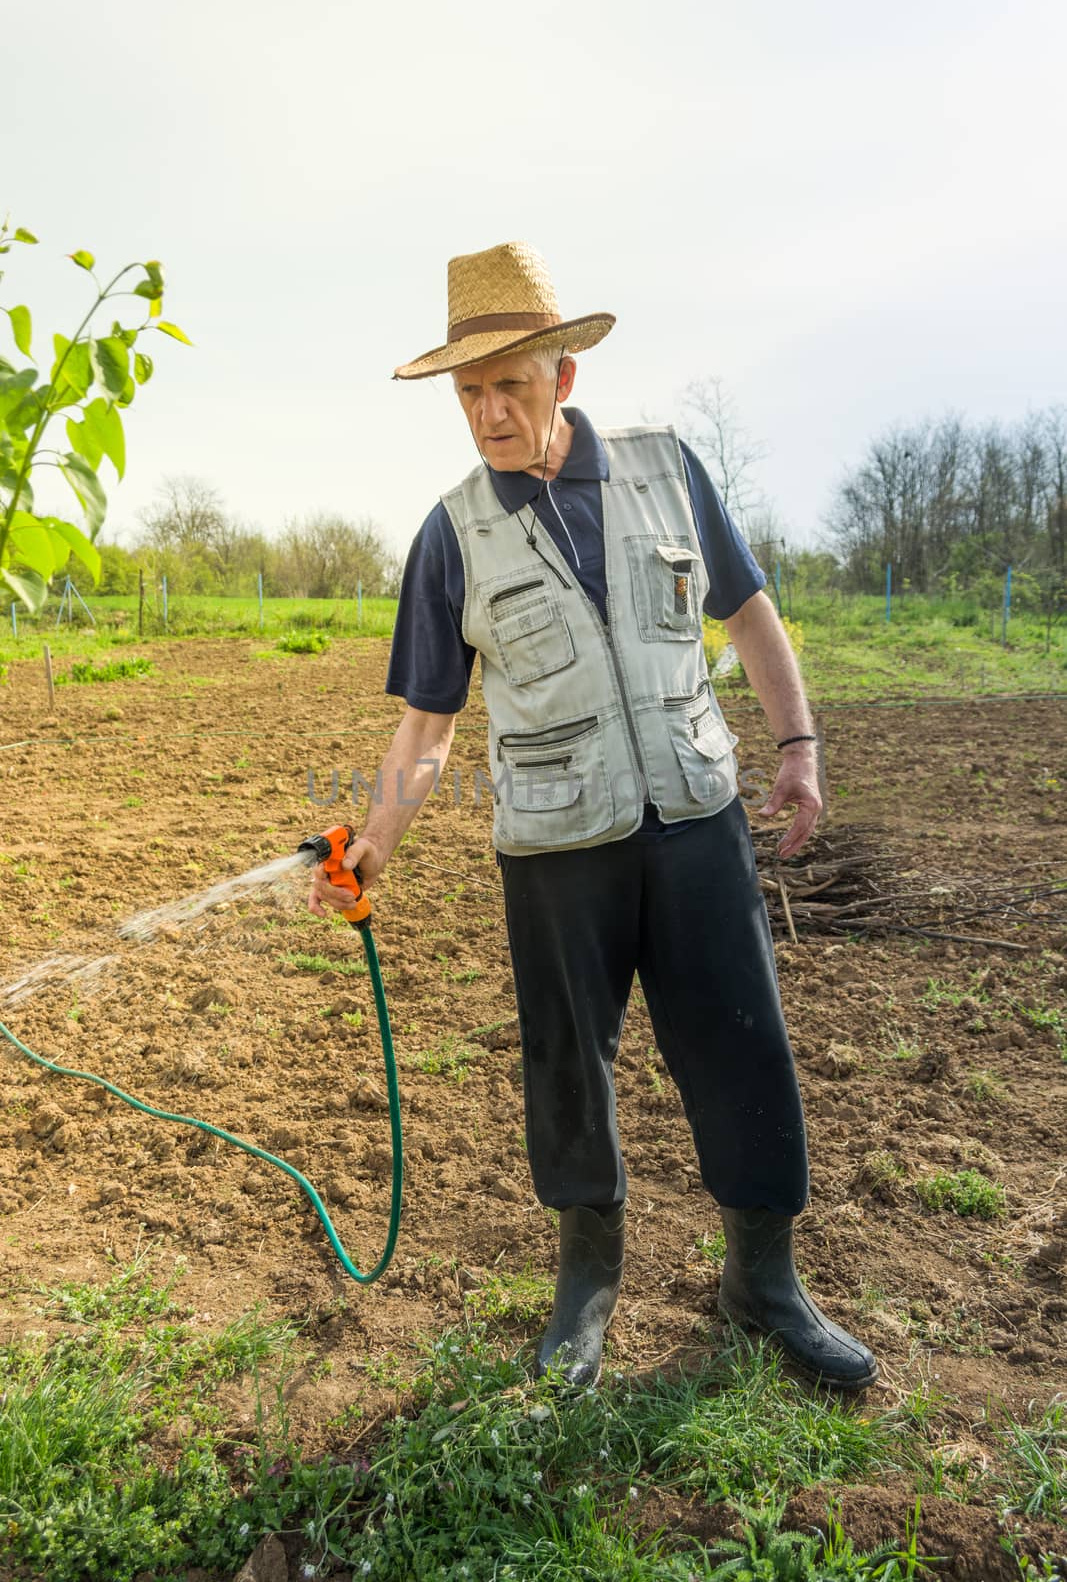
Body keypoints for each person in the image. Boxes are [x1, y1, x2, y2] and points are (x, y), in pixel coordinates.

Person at [309, 241, 878, 1392]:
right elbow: (428, 730)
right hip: (555, 849)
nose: (486, 415)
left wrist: (799, 747)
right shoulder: (449, 533)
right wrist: (374, 837)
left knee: (740, 1040)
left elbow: (750, 614)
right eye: (467, 395)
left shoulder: (667, 470)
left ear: (562, 376)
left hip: (694, 820)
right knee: (566, 1063)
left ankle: (761, 1282)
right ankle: (586, 1286)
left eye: (507, 387)